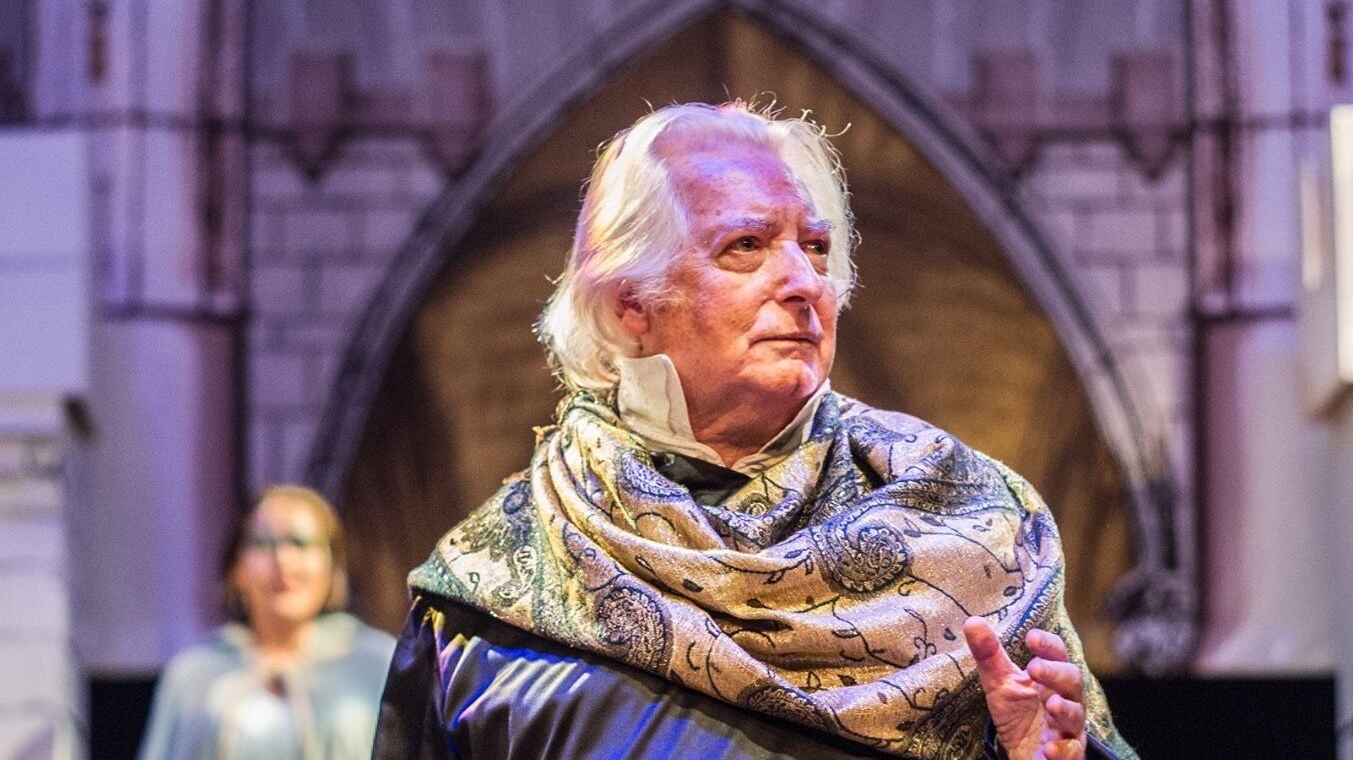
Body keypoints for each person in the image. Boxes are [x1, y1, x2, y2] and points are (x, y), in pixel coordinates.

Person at [374, 102, 1137, 760]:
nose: (804, 282)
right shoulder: (488, 599)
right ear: (630, 301)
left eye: (815, 247)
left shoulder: (971, 526)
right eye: (746, 245)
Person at [138, 485, 395, 760]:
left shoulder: (377, 665)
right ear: (236, 571)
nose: (283, 560)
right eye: (263, 543)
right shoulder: (193, 674)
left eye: (300, 543)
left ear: (332, 567)